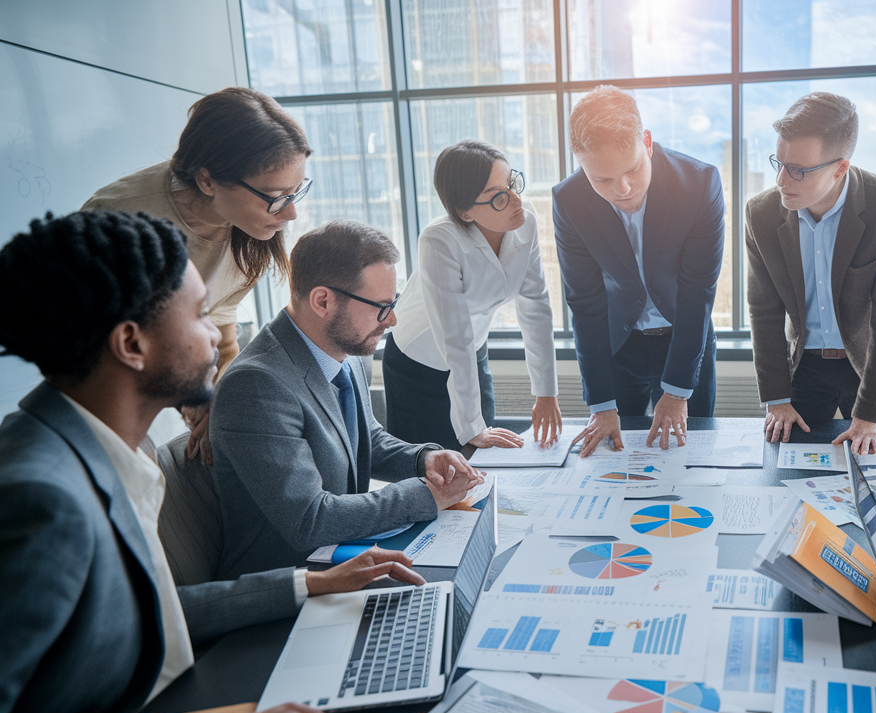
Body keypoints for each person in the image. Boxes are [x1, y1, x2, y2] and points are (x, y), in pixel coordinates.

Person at [0, 210, 429, 713]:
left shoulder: (108, 450)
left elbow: (158, 615)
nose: (218, 337)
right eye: (201, 316)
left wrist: (309, 584)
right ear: (132, 343)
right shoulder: (39, 500)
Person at [210, 219, 481, 579]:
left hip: (347, 556)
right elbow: (311, 519)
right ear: (323, 301)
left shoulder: (347, 354)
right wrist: (427, 496)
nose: (392, 319)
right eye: (381, 306)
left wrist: (423, 459)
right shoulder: (257, 385)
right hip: (289, 584)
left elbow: (364, 438)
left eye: (394, 302)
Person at [84, 87, 313, 465]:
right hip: (109, 390)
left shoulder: (252, 227)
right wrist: (194, 397)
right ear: (207, 181)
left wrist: (213, 400)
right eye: (276, 197)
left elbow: (222, 323)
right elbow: (98, 345)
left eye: (295, 192)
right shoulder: (117, 223)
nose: (290, 215)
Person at [553, 85, 724, 456]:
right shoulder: (568, 200)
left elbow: (698, 292)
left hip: (684, 338)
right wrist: (601, 405)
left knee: (690, 452)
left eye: (632, 170)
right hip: (619, 343)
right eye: (602, 180)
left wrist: (677, 390)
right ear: (581, 163)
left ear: (646, 141)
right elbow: (585, 302)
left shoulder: (699, 184)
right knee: (617, 457)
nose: (623, 189)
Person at [747, 92, 876, 454]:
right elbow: (763, 312)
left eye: (798, 169)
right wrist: (776, 399)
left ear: (840, 167)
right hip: (803, 366)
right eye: (778, 163)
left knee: (868, 475)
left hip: (868, 367)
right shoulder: (760, 214)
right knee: (793, 472)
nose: (781, 180)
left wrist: (872, 415)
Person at [383, 140, 561, 451]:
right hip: (418, 363)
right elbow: (454, 336)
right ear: (465, 212)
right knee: (432, 471)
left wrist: (546, 393)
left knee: (483, 458)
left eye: (512, 183)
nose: (516, 199)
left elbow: (536, 307)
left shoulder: (526, 222)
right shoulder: (438, 241)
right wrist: (470, 426)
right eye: (499, 198)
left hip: (473, 352)